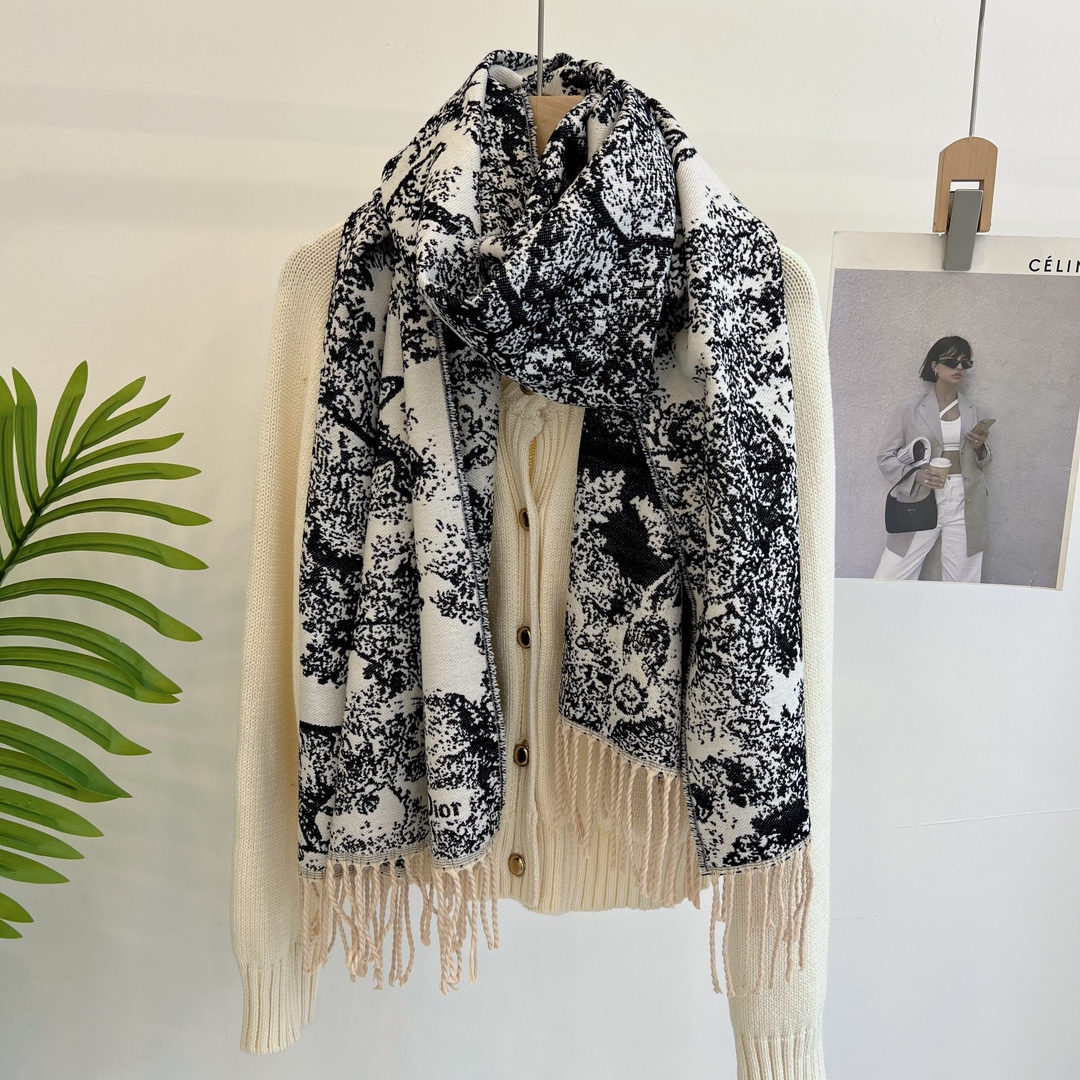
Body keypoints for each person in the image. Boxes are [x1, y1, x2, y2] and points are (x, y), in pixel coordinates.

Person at [873, 335, 992, 582]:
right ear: (935, 366)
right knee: (893, 575)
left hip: (965, 499)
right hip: (920, 496)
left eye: (965, 363)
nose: (959, 367)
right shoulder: (910, 408)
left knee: (963, 581)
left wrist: (979, 448)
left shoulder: (974, 410)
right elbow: (885, 456)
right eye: (951, 361)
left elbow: (984, 462)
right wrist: (917, 476)